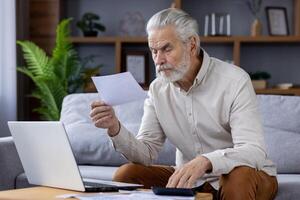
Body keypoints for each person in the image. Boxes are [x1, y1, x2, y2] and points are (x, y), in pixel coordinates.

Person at [90, 8, 278, 200]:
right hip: (192, 179)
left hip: (248, 176)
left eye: (166, 49)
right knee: (126, 175)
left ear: (192, 45)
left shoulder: (234, 80)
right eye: (154, 51)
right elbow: (146, 153)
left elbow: (253, 150)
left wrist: (206, 161)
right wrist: (114, 128)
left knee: (239, 175)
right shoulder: (157, 89)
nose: (158, 60)